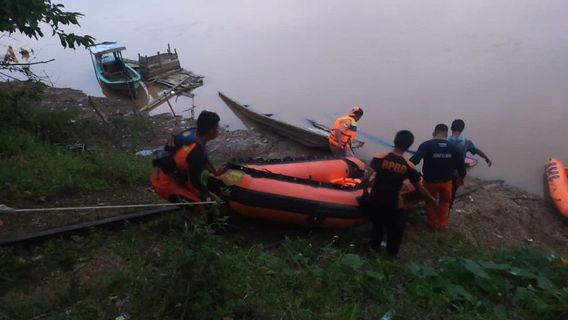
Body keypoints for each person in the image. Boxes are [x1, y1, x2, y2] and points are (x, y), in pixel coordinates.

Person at [361, 130, 438, 257]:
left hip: (376, 198)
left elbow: (366, 177)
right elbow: (419, 187)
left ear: (394, 141)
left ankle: (373, 249)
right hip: (393, 202)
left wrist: (365, 191)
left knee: (377, 225)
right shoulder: (409, 166)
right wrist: (432, 199)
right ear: (408, 146)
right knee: (396, 229)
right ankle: (391, 253)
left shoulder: (379, 157)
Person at [151, 111, 225, 203]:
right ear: (211, 131)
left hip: (169, 171)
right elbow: (195, 182)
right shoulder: (197, 154)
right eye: (217, 127)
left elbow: (205, 159)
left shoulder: (194, 132)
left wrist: (215, 173)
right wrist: (211, 195)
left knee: (201, 196)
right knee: (199, 207)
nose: (218, 130)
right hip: (164, 182)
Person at [410, 124, 466, 231]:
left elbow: (414, 160)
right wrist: (461, 177)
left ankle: (432, 224)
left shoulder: (426, 145)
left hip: (430, 182)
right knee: (445, 202)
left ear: (433, 133)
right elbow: (461, 166)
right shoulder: (453, 147)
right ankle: (442, 225)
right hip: (446, 182)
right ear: (446, 134)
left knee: (430, 202)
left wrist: (406, 171)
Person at [448, 119, 492, 208]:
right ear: (462, 129)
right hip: (457, 174)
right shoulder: (466, 141)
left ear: (451, 128)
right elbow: (477, 150)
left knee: (442, 191)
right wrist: (486, 157)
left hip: (443, 172)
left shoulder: (445, 139)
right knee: (452, 192)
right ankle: (447, 211)